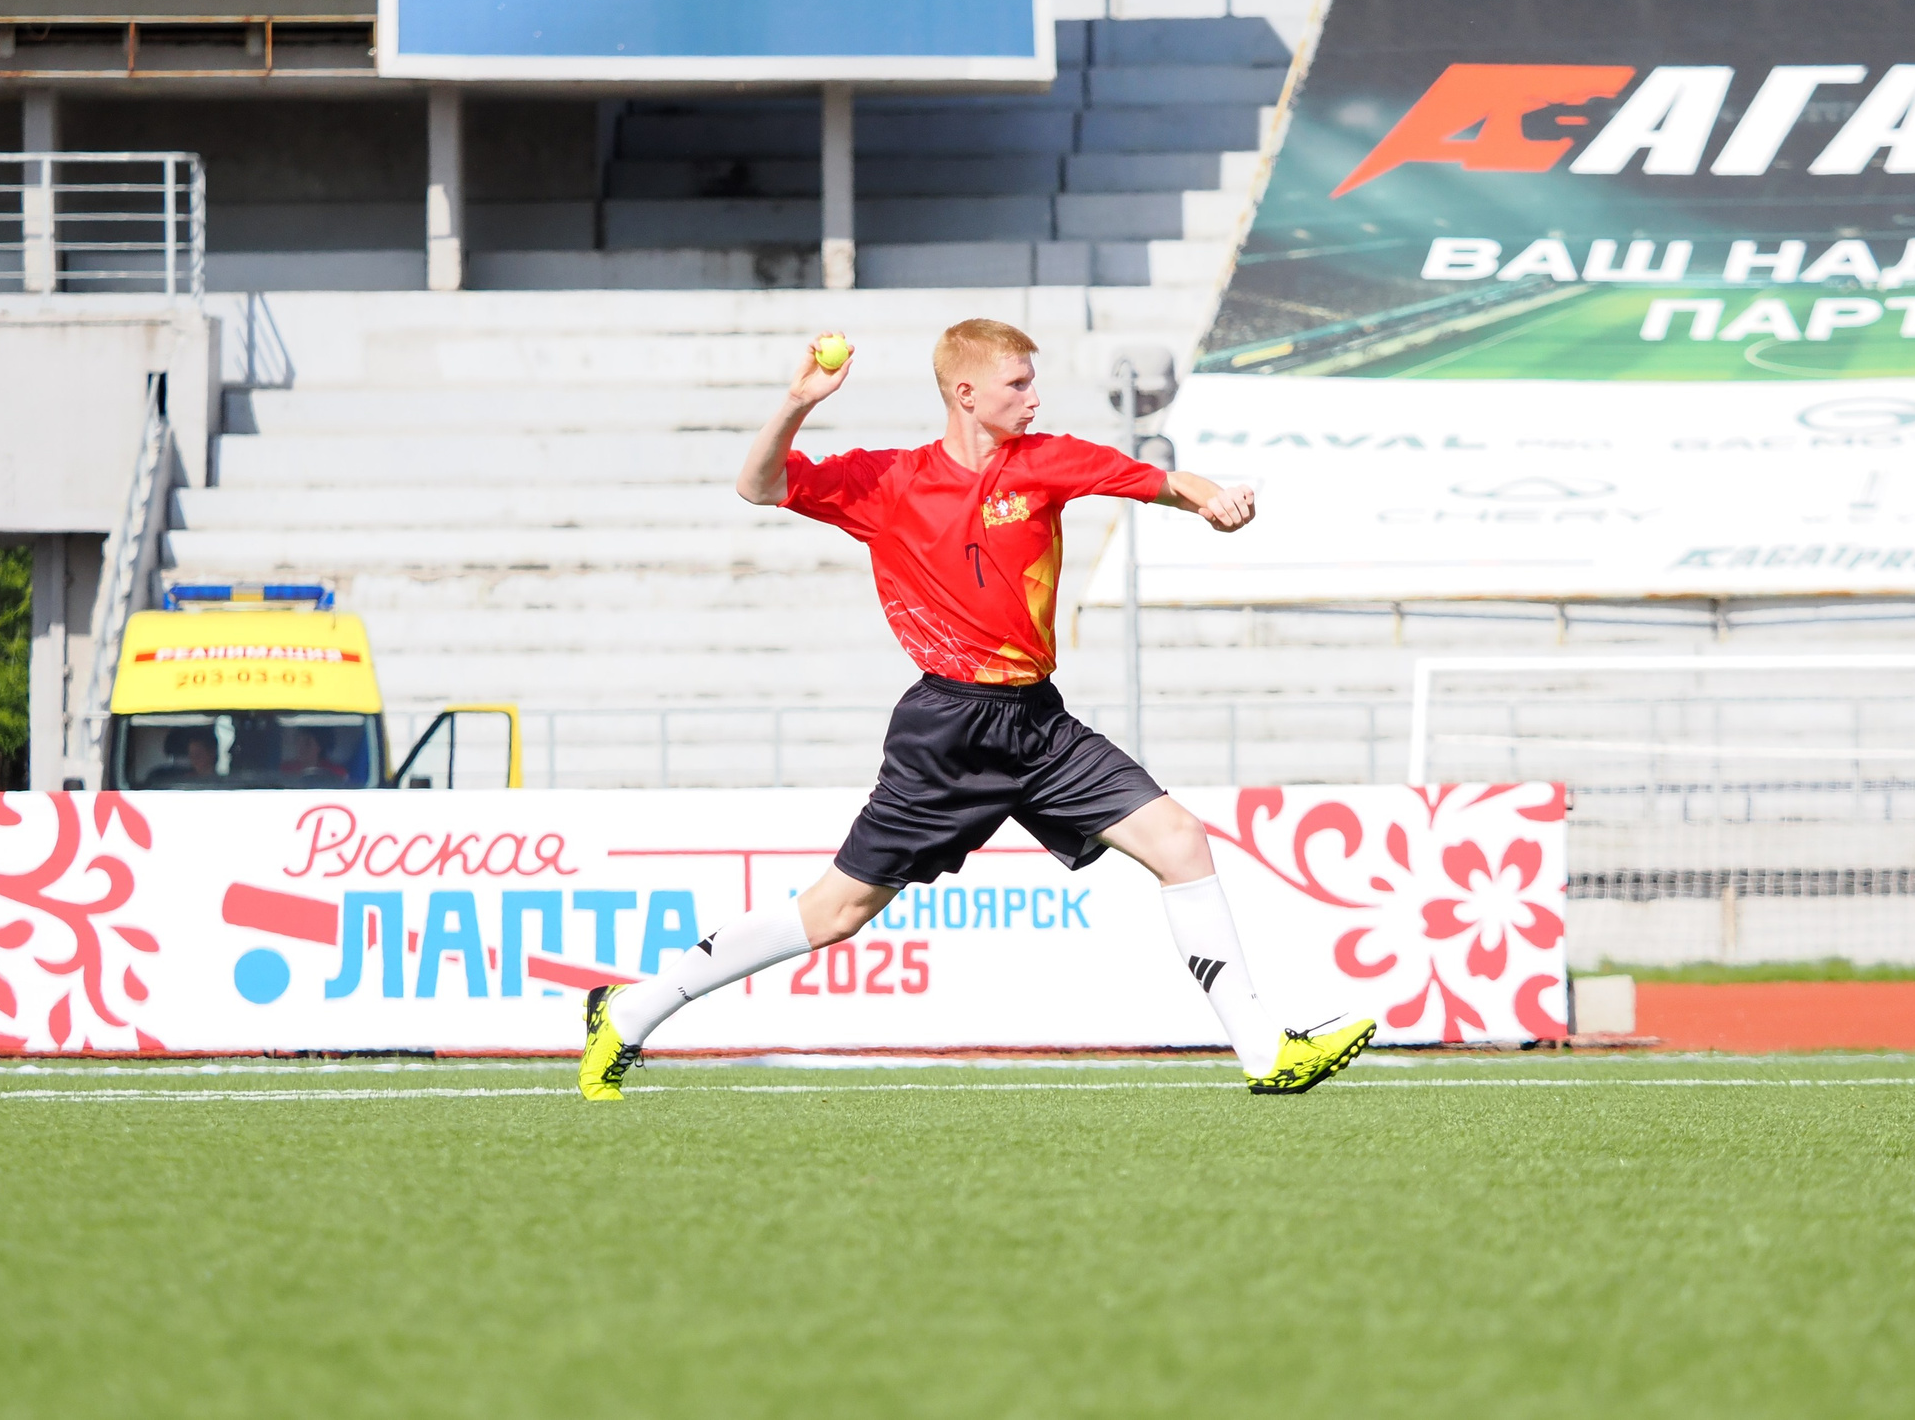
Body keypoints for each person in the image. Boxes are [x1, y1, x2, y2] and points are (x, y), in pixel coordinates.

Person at [579, 318, 1374, 1099]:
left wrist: (1212, 500)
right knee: (836, 912)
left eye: (1033, 384)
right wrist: (798, 401)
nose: (1033, 399)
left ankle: (1266, 1050)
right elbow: (759, 486)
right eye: (1017, 384)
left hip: (1040, 721)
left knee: (1179, 838)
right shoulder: (888, 480)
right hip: (948, 729)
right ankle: (633, 1007)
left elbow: (1159, 481)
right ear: (966, 393)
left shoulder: (1046, 461)